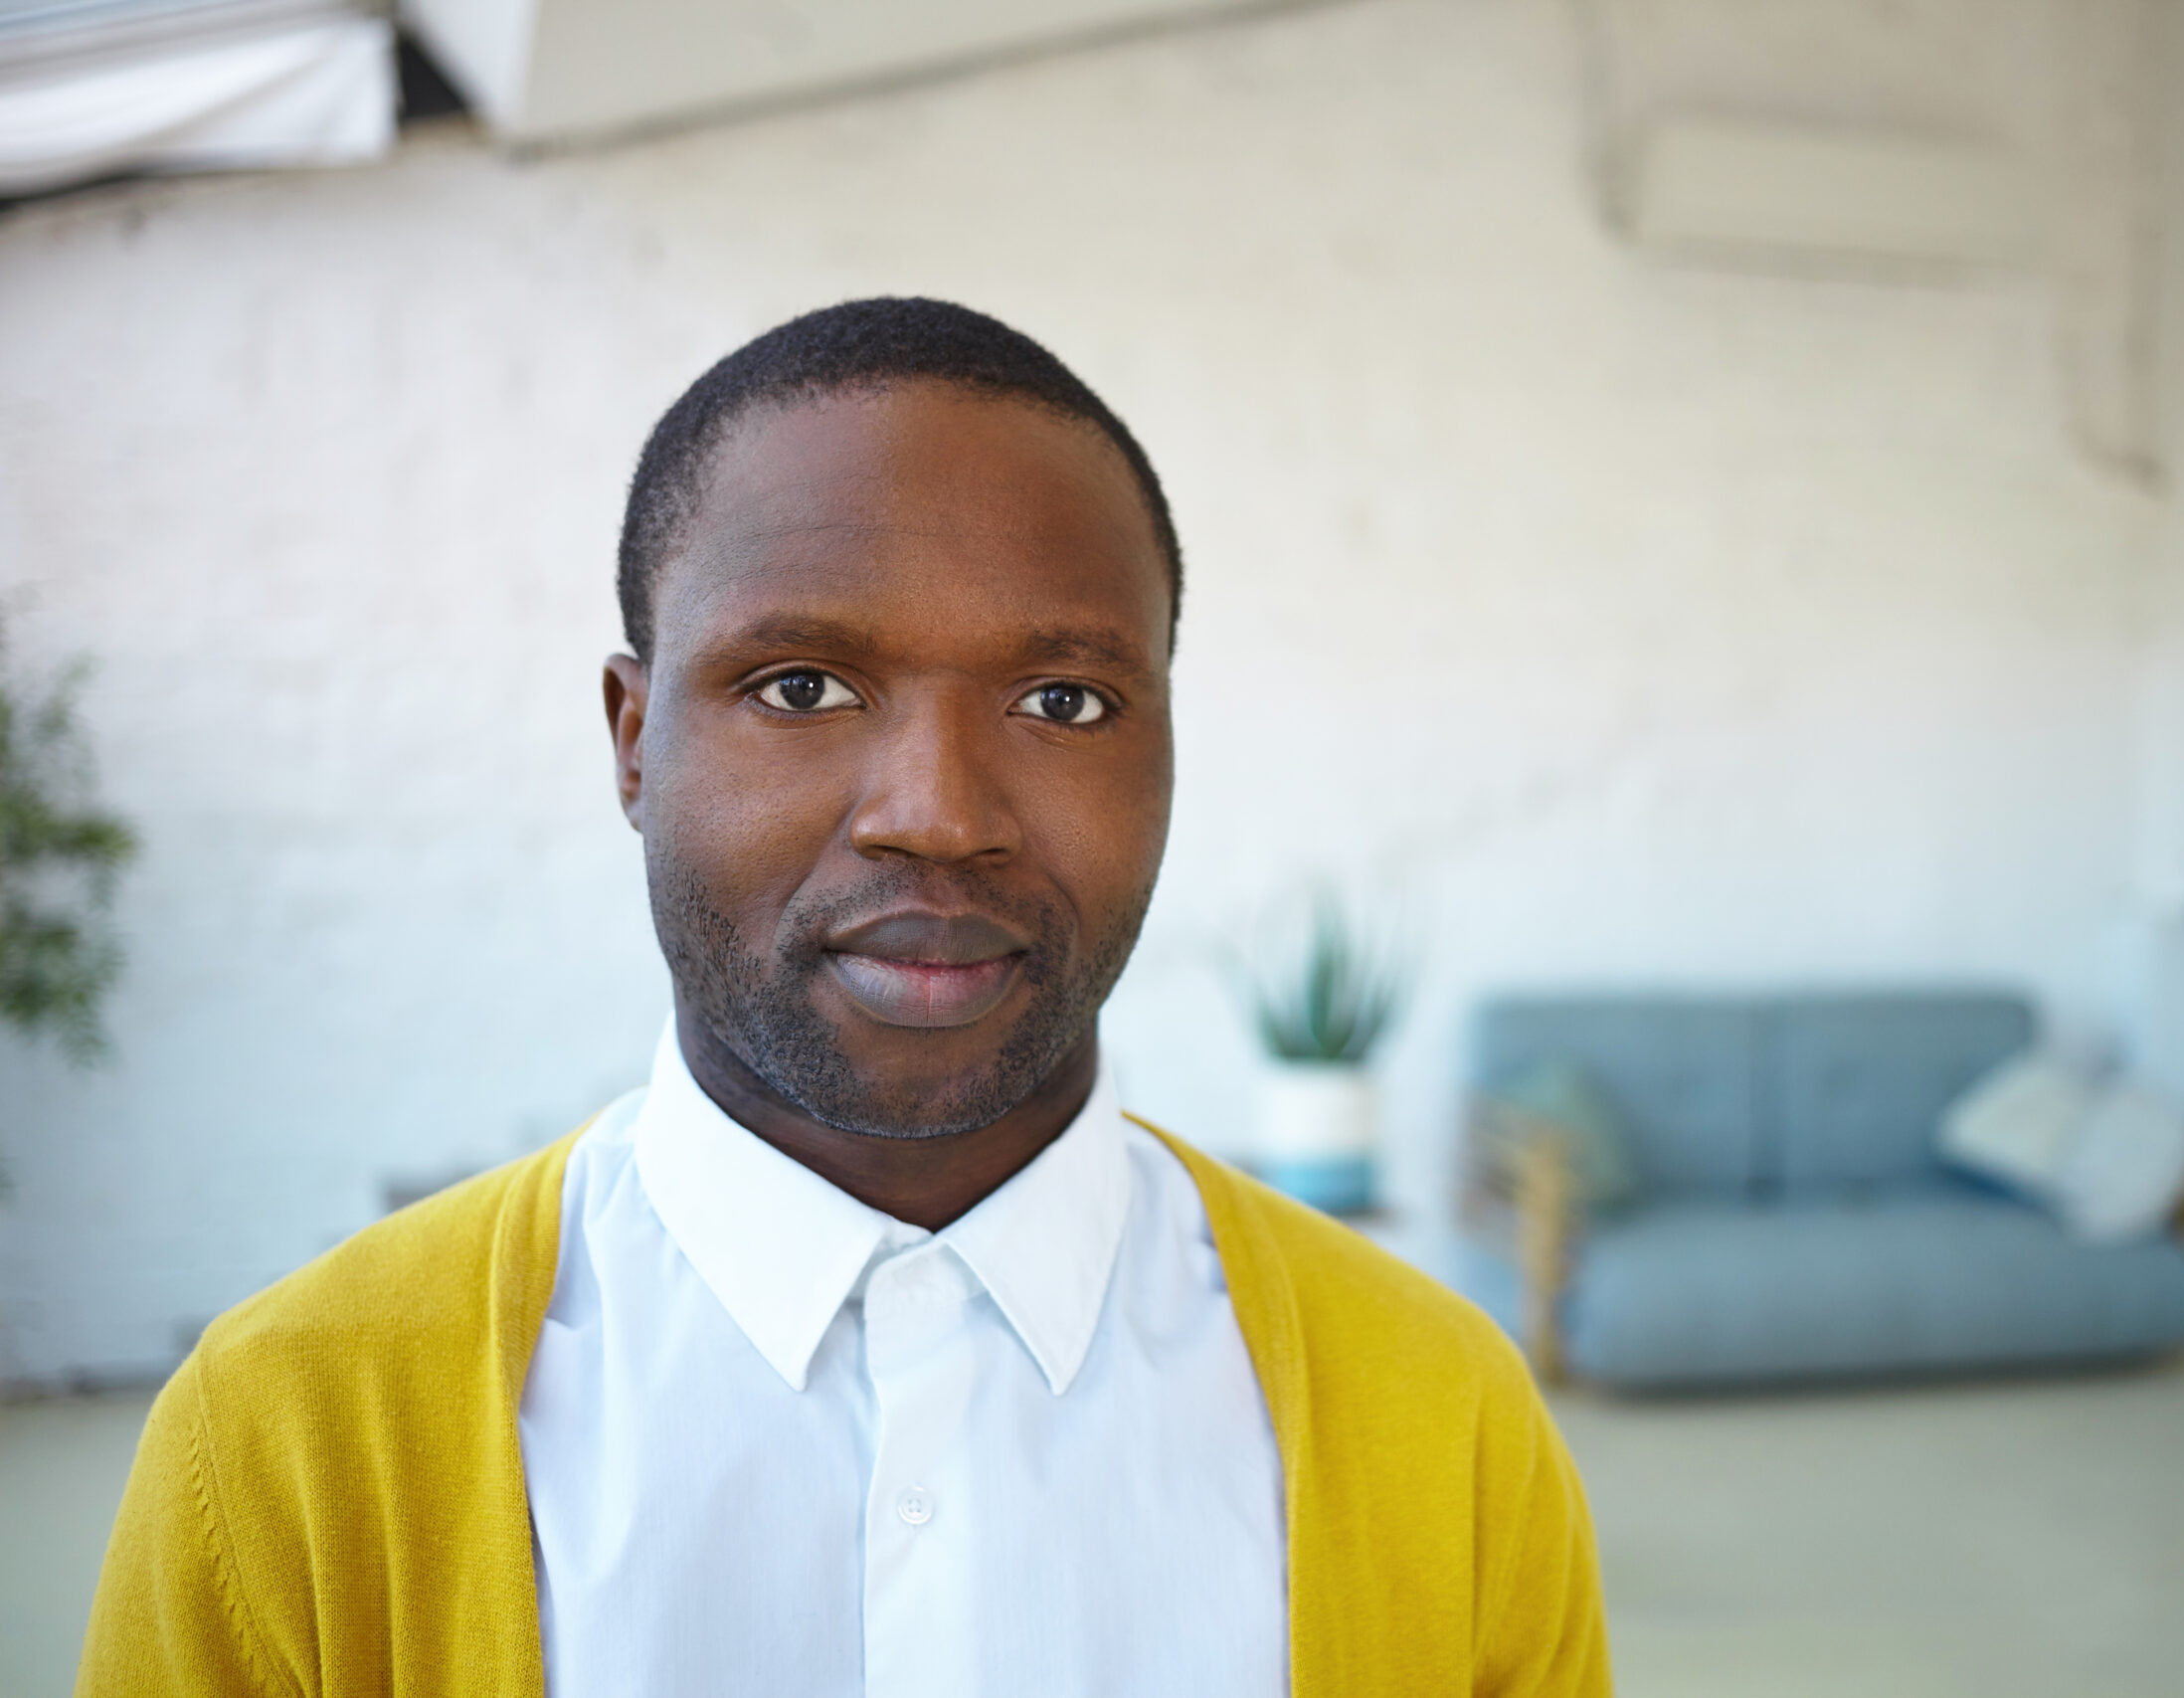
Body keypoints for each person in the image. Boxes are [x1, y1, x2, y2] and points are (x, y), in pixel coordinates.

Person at [78, 297, 1609, 1697]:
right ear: (631, 740)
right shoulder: (285, 1438)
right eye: (801, 686)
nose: (937, 814)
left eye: (1061, 701)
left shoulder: (1436, 1409)